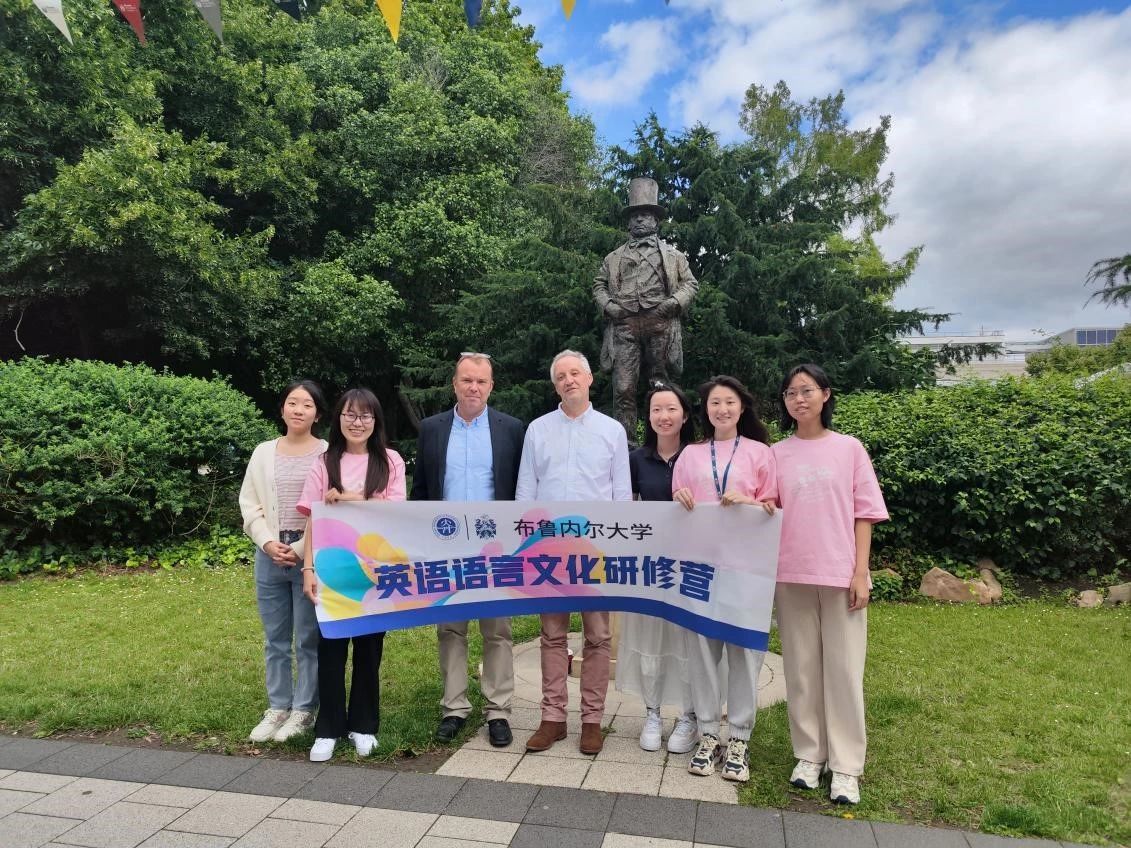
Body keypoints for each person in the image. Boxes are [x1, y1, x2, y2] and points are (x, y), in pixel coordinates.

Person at [772, 364, 888, 805]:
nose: (799, 399)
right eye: (790, 393)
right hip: (791, 574)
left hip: (841, 575)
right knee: (800, 670)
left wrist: (860, 572)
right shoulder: (776, 454)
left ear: (825, 394)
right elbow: (766, 508)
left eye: (806, 390)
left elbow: (865, 514)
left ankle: (845, 766)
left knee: (843, 671)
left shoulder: (849, 449)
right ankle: (809, 755)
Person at [516, 350, 632, 755]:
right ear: (555, 385)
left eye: (575, 373)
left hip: (596, 549)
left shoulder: (612, 431)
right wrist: (525, 546)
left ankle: (592, 720)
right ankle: (552, 718)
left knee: (598, 636)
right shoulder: (538, 430)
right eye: (561, 375)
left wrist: (617, 549)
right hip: (548, 548)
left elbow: (621, 495)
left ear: (589, 379)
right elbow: (526, 491)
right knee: (552, 634)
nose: (569, 380)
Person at [411, 352, 525, 748]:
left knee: (498, 631)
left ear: (491, 386)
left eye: (481, 381)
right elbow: (421, 491)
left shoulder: (512, 429)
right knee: (450, 629)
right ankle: (454, 707)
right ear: (454, 384)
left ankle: (498, 710)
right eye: (466, 380)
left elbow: (521, 491)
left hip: (496, 546)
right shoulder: (432, 429)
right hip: (446, 545)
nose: (473, 387)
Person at [672, 376, 777, 782]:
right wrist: (679, 499)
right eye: (715, 402)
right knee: (701, 654)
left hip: (746, 572)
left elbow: (773, 506)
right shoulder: (691, 454)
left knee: (743, 655)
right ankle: (708, 734)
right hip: (700, 571)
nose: (722, 409)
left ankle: (740, 738)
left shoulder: (761, 453)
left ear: (742, 406)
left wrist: (751, 502)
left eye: (729, 402)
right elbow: (677, 505)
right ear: (706, 409)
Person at [298, 388, 406, 762]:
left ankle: (363, 725)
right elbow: (313, 519)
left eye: (365, 416)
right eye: (350, 415)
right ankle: (328, 729)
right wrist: (307, 568)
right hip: (331, 570)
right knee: (330, 649)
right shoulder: (324, 462)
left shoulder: (390, 461)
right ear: (339, 419)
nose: (357, 423)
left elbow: (394, 511)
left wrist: (344, 497)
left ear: (376, 421)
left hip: (375, 571)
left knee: (369, 650)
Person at [239, 380, 328, 743]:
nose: (298, 410)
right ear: (282, 409)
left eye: (307, 405)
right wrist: (266, 542)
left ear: (317, 414)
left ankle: (303, 710)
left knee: (308, 638)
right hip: (270, 554)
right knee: (275, 639)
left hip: (310, 556)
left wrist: (302, 547)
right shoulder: (263, 452)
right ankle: (278, 706)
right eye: (292, 402)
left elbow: (328, 510)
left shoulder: (327, 453)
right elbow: (249, 504)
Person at [615, 382, 698, 754]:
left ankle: (688, 715)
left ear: (685, 414)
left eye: (671, 409)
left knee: (687, 642)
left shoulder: (699, 456)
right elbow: (626, 511)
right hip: (650, 567)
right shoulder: (636, 459)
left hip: (692, 566)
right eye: (656, 410)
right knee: (649, 641)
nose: (664, 416)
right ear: (648, 418)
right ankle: (652, 713)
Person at [592, 177, 699, 438]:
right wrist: (610, 307)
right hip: (624, 326)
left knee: (660, 385)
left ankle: (662, 440)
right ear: (628, 222)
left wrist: (672, 304)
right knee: (623, 387)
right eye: (635, 216)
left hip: (660, 324)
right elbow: (599, 285)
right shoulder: (613, 258)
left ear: (656, 221)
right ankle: (625, 443)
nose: (640, 219)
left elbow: (690, 284)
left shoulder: (674, 256)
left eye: (646, 215)